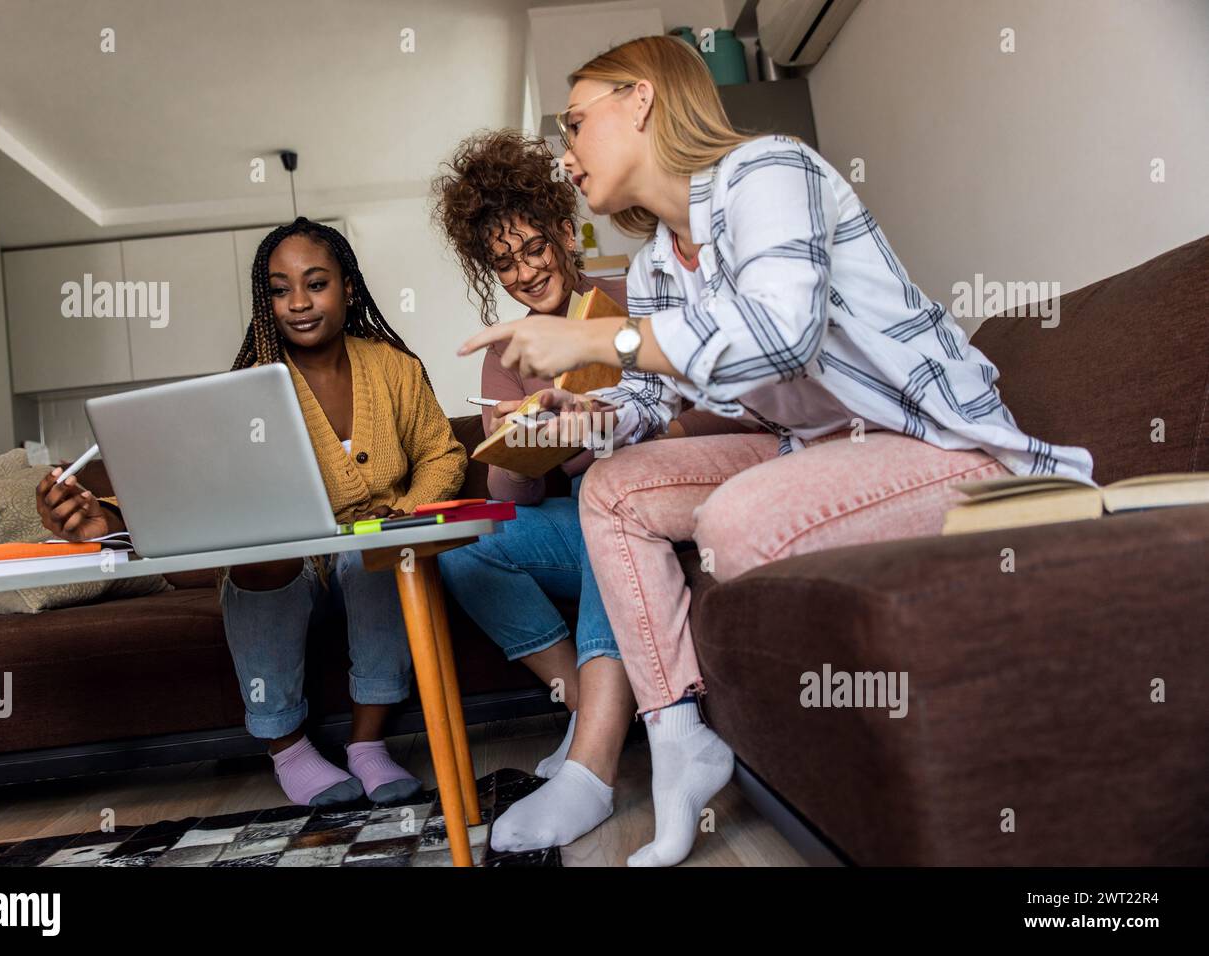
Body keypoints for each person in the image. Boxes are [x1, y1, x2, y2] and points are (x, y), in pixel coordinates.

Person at [458, 37, 1093, 866]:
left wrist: (594, 335)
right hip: (812, 448)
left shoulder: (770, 171)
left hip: (936, 442)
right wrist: (580, 416)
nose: (567, 157)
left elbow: (781, 336)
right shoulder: (654, 265)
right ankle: (680, 741)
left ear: (641, 100)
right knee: (610, 490)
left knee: (742, 517)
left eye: (575, 124)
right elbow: (648, 407)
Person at [38, 217, 467, 808]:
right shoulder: (246, 390)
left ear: (347, 285)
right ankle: (288, 749)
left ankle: (367, 747)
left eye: (315, 284)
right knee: (261, 560)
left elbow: (442, 453)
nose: (297, 303)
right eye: (278, 288)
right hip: (290, 567)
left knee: (381, 552)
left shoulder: (395, 368)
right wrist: (107, 519)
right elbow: (197, 495)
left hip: (369, 558)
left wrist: (402, 511)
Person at [430, 130, 753, 852]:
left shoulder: (628, 300)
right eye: (504, 263)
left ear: (564, 234)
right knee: (461, 549)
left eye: (533, 248)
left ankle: (593, 763)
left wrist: (620, 428)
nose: (524, 273)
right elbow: (509, 496)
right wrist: (520, 441)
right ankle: (585, 700)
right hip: (577, 519)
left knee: (602, 492)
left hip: (645, 506)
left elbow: (709, 411)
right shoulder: (510, 352)